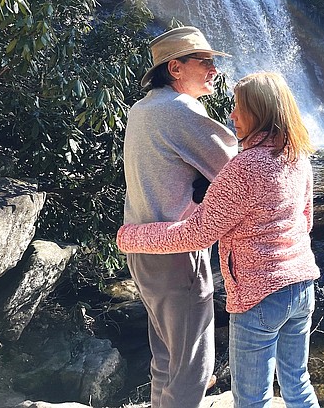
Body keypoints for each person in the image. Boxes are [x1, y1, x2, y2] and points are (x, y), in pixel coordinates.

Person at [118, 71, 321, 408]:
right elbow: (306, 220)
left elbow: (198, 233)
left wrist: (132, 236)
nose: (232, 116)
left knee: (252, 399)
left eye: (239, 108)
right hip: (302, 286)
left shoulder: (243, 168)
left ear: (260, 112)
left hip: (259, 296)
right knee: (297, 385)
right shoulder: (298, 156)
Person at [123, 26, 238, 408]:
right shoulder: (181, 109)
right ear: (175, 67)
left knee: (166, 358)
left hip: (142, 248)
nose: (213, 70)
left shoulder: (141, 109)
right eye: (204, 62)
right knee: (193, 369)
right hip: (177, 250)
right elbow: (238, 168)